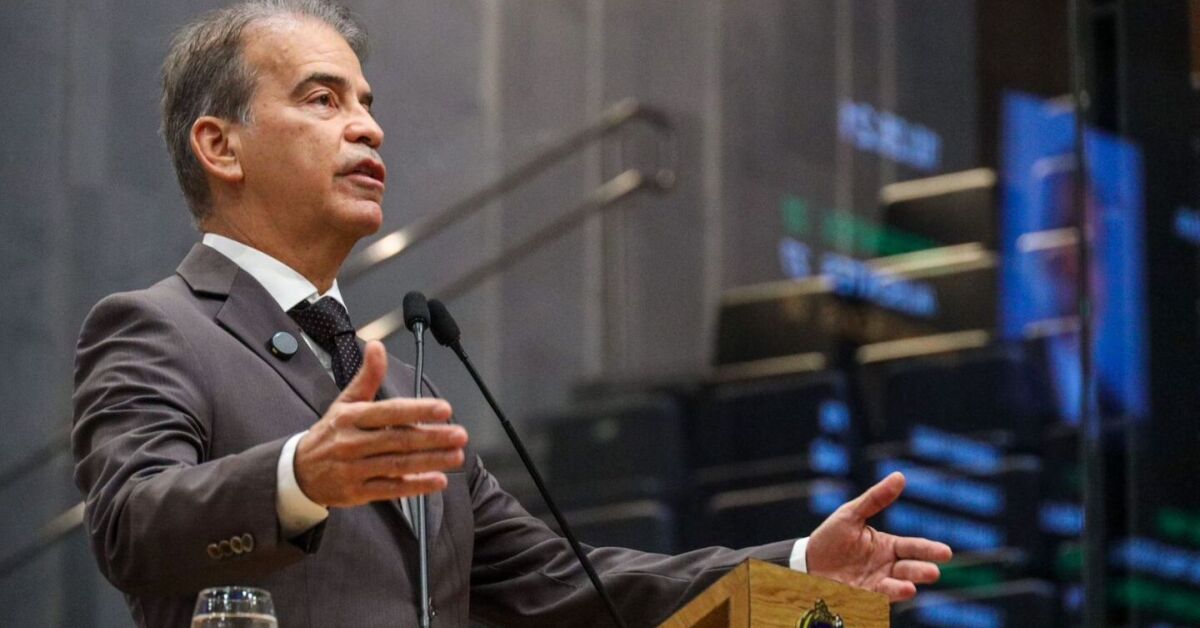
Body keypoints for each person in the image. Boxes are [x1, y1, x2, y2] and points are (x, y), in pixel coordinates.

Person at [71, 2, 952, 626]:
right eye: (322, 99)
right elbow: (130, 526)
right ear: (220, 145)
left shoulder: (406, 392)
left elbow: (565, 583)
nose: (369, 128)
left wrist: (794, 566)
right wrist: (300, 476)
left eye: (368, 104)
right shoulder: (159, 328)